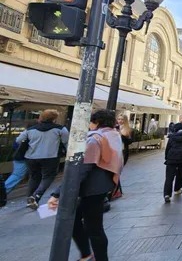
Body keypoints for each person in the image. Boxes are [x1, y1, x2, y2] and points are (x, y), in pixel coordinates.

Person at [47, 109, 123, 261]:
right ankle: (87, 254)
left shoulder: (95, 139)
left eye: (91, 121)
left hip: (92, 188)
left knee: (94, 228)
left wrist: (57, 193)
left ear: (97, 122)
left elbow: (81, 169)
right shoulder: (113, 135)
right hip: (103, 185)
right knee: (80, 221)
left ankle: (94, 256)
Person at [16, 109, 69, 210]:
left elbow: (18, 140)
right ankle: (36, 196)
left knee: (34, 177)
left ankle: (29, 198)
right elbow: (66, 141)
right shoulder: (60, 129)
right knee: (48, 176)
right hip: (50, 157)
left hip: (31, 157)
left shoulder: (31, 129)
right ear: (54, 119)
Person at [163, 122, 182, 203]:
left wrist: (166, 157)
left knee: (169, 177)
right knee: (180, 175)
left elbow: (168, 148)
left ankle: (167, 194)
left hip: (171, 158)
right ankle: (177, 189)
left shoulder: (172, 136)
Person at [112, 114, 133, 199]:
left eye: (122, 119)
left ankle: (116, 190)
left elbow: (129, 141)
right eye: (119, 119)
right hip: (115, 151)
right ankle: (116, 190)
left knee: (117, 170)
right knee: (115, 170)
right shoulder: (114, 128)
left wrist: (121, 135)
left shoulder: (128, 130)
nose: (120, 121)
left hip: (123, 152)